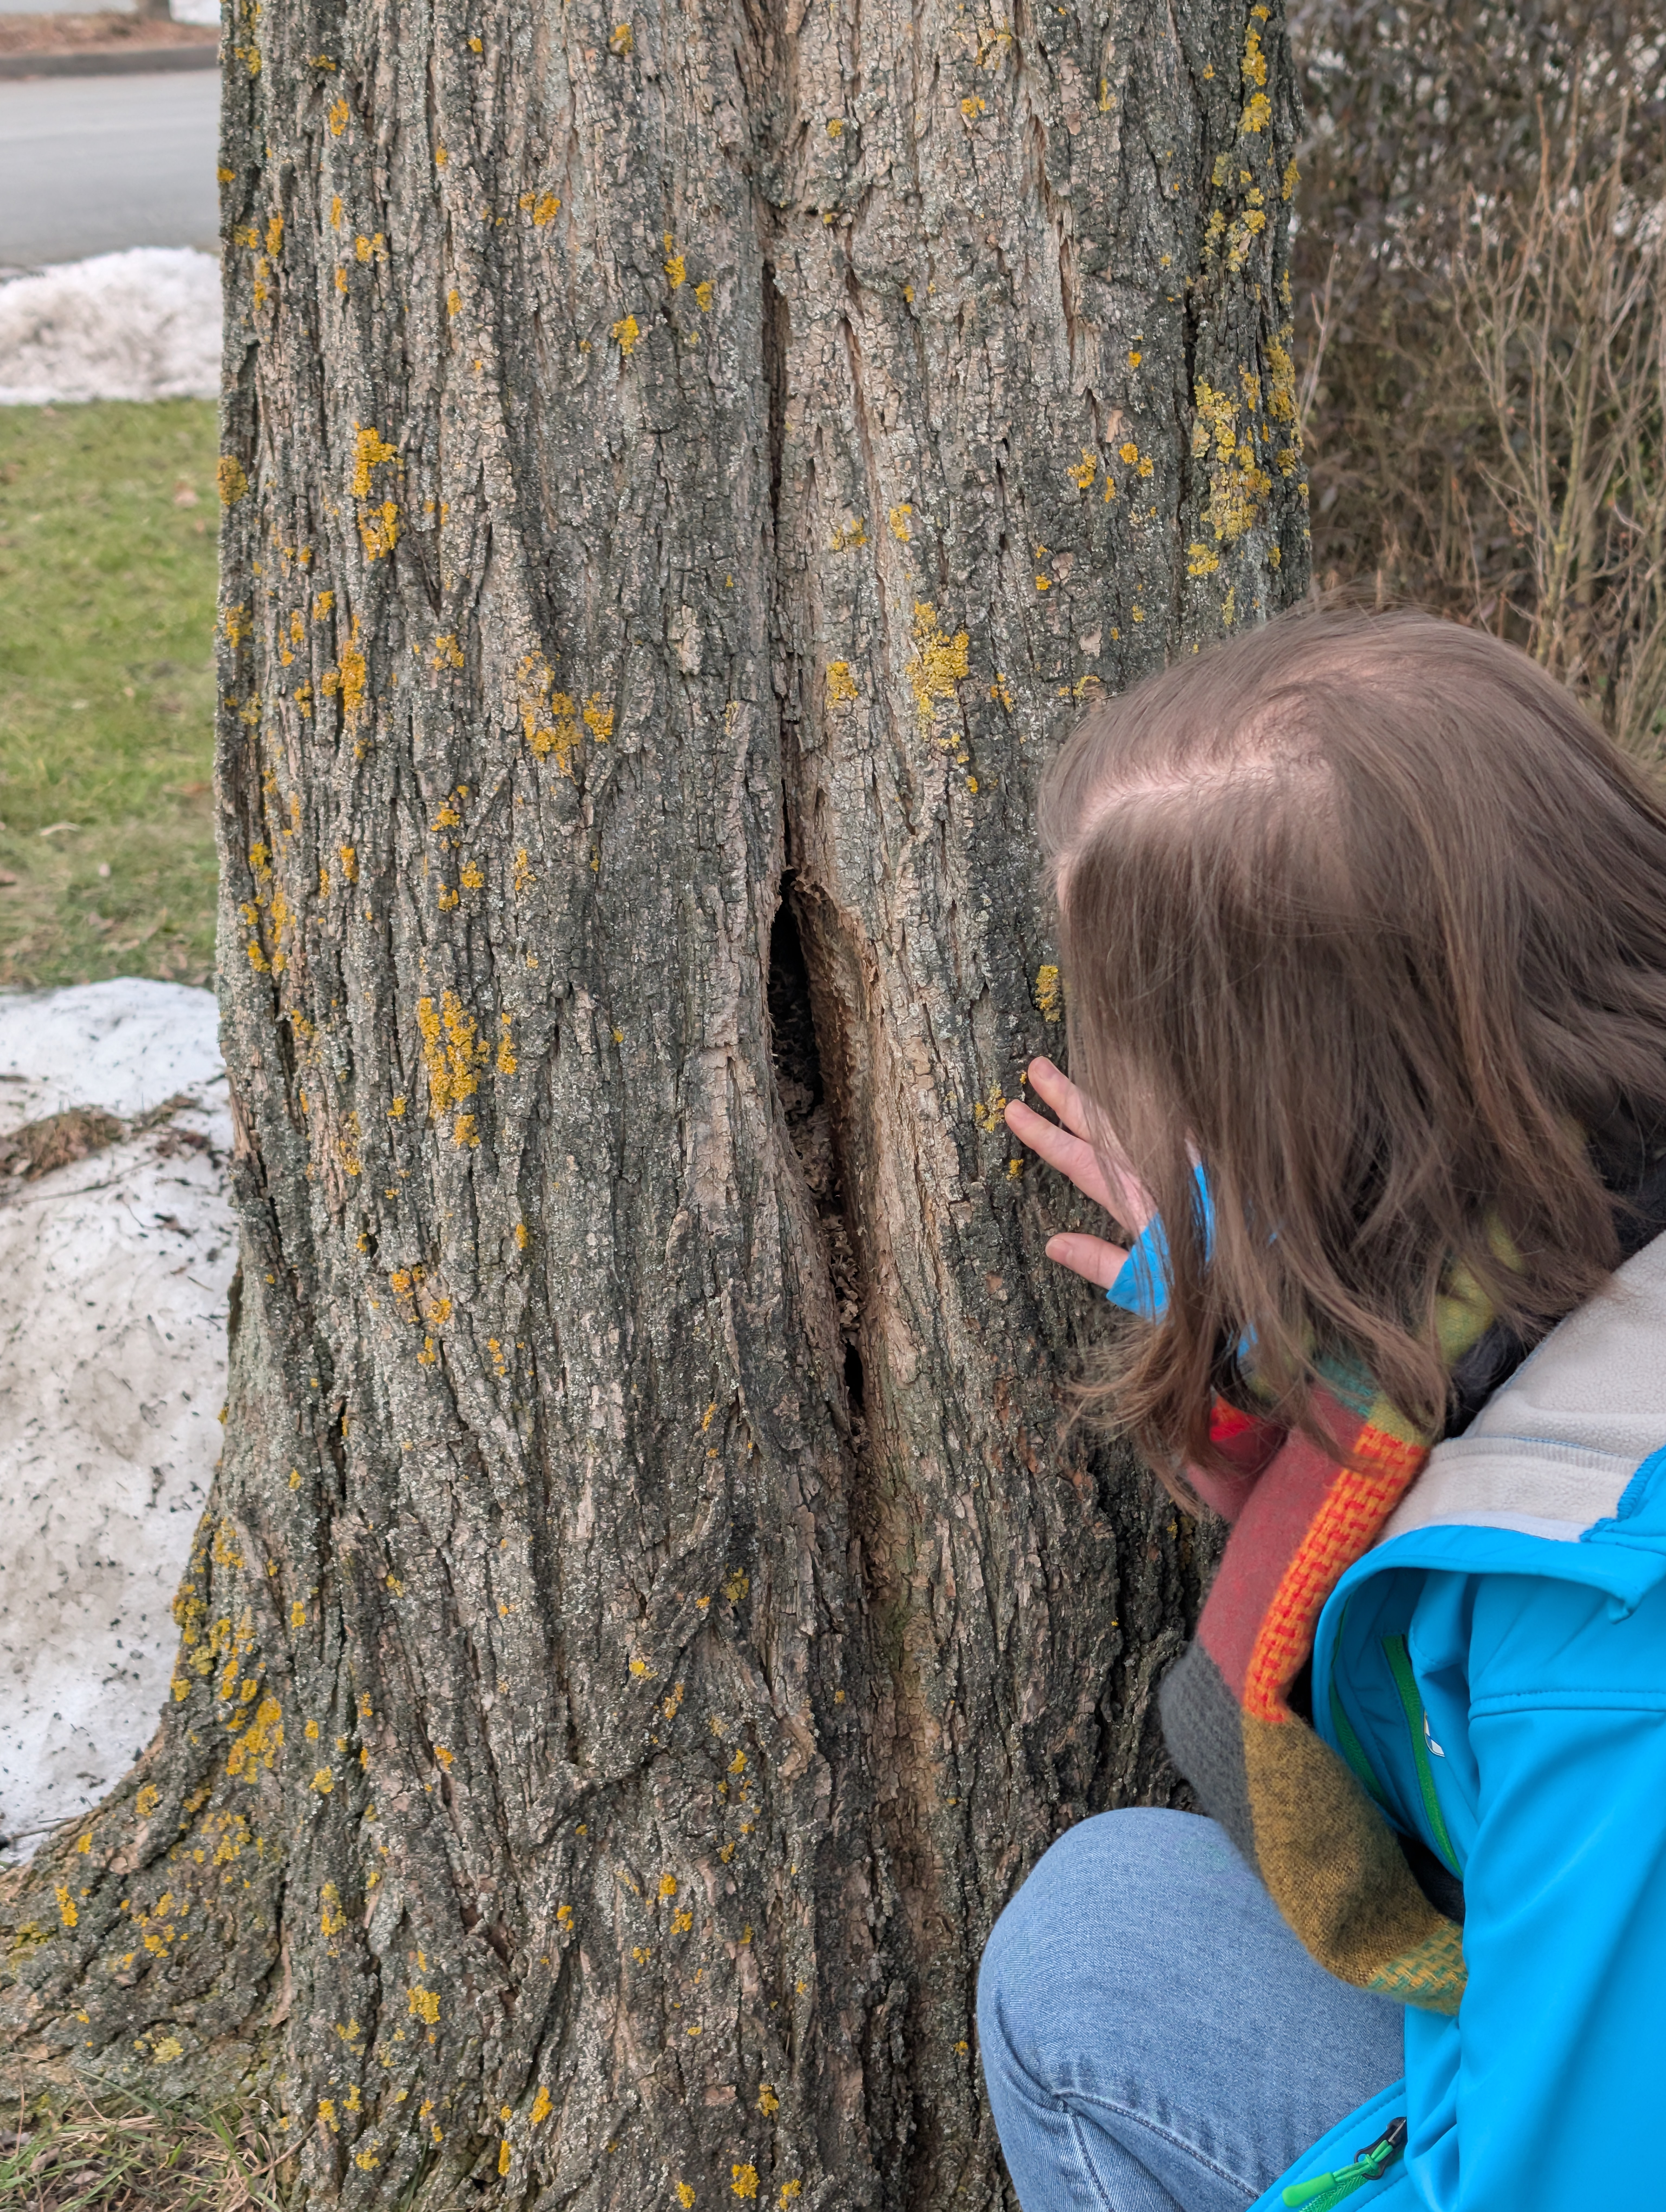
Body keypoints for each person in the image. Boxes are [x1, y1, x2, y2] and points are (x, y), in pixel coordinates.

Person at [981, 607, 1666, 2212]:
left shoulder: (1602, 1655)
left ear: (1320, 1125)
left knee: (1088, 1971)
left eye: (1175, 1081)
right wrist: (1266, 1289)